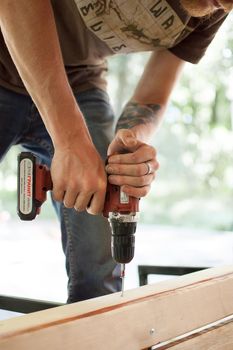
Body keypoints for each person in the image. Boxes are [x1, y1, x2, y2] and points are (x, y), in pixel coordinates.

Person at [0, 0, 232, 303]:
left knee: (100, 270)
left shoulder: (215, 6)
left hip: (80, 81)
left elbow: (152, 93)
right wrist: (71, 139)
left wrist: (131, 143)